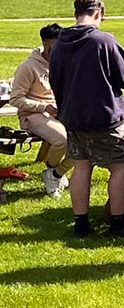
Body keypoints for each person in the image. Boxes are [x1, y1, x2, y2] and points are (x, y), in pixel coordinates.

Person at [48, 0, 124, 238]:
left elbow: (55, 81)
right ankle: (118, 221)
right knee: (120, 167)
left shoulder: (59, 44)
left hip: (73, 117)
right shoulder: (103, 41)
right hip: (103, 116)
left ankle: (81, 222)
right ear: (98, 13)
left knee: (81, 167)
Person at [10, 22, 73, 197]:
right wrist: (44, 106)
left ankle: (54, 174)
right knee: (64, 139)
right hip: (33, 115)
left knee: (85, 139)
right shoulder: (28, 67)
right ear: (46, 43)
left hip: (58, 112)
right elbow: (16, 98)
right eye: (57, 44)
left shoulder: (61, 64)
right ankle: (54, 172)